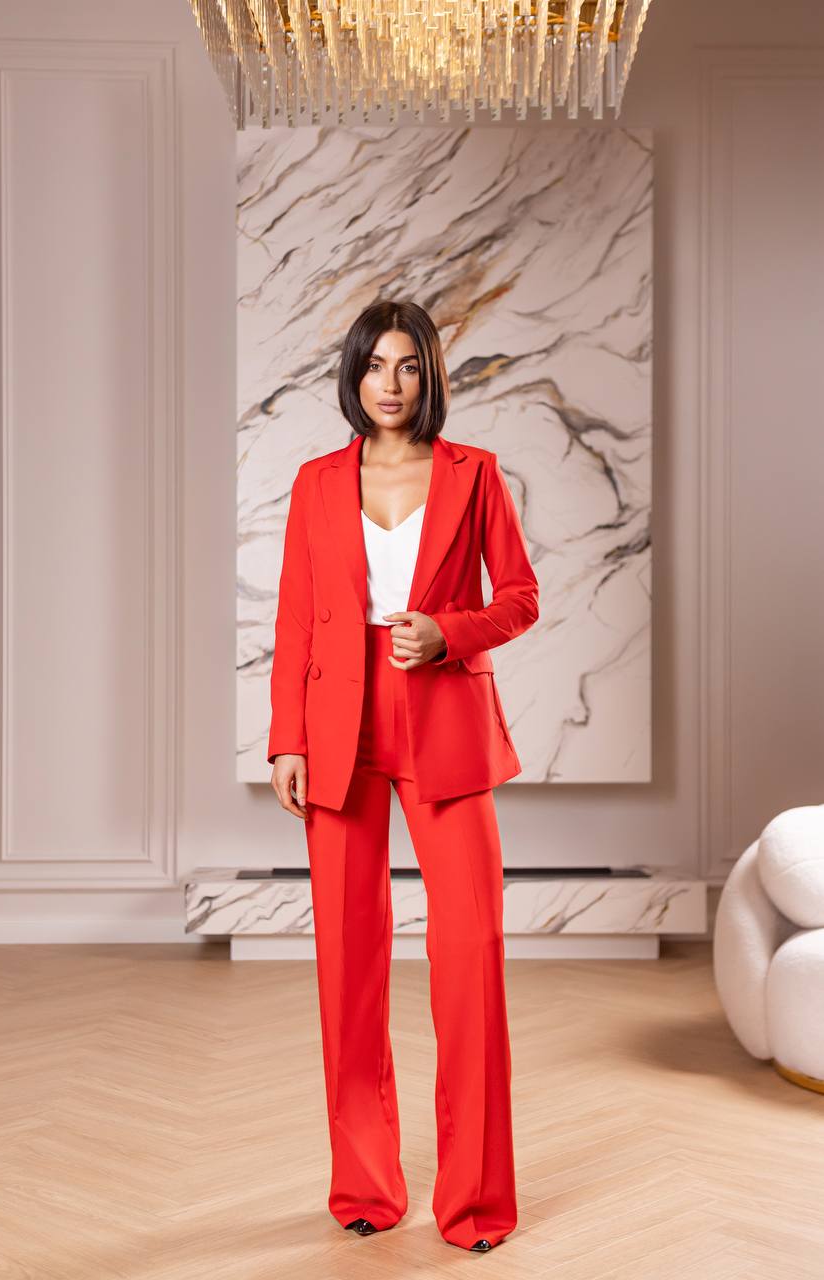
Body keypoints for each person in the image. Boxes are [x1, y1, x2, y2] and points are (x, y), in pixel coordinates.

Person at [267, 298, 539, 1252]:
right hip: (336, 726)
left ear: (430, 375)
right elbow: (295, 617)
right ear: (353, 374)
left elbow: (519, 597)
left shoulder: (475, 474)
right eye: (376, 365)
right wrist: (286, 741)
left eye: (409, 366)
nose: (391, 384)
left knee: (470, 956)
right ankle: (364, 1186)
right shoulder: (314, 482)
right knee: (347, 963)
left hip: (445, 721)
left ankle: (476, 1203)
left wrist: (448, 631)